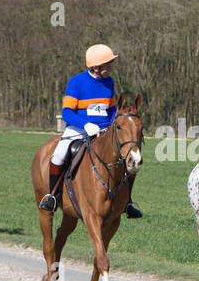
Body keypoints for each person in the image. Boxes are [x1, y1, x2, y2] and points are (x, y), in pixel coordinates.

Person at [38, 44, 139, 216]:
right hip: (79, 128)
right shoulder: (76, 82)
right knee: (59, 154)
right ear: (96, 67)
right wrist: (87, 125)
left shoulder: (109, 82)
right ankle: (52, 196)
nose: (111, 67)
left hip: (106, 130)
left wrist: (111, 124)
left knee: (129, 159)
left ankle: (126, 201)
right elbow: (67, 113)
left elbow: (112, 110)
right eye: (108, 64)